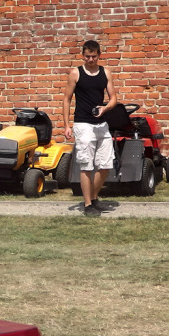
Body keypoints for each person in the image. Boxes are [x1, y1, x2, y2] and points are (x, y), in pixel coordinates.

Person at [61, 40, 119, 217]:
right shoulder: (75, 73)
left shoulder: (105, 73)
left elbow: (113, 98)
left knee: (106, 164)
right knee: (86, 165)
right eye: (87, 56)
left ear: (99, 55)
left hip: (101, 124)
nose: (91, 59)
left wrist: (105, 108)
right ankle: (87, 205)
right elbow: (67, 99)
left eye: (94, 56)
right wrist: (66, 125)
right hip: (83, 124)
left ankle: (93, 198)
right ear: (83, 56)